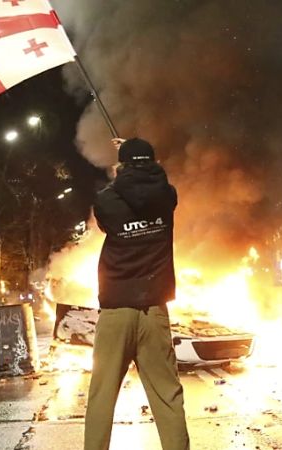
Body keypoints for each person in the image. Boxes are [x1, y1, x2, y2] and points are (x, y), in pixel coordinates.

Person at [84, 138, 189, 450]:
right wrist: (139, 155)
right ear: (153, 162)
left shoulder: (107, 200)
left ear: (122, 166)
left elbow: (111, 208)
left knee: (102, 396)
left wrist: (125, 163)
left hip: (117, 312)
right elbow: (157, 182)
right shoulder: (167, 196)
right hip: (155, 311)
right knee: (168, 395)